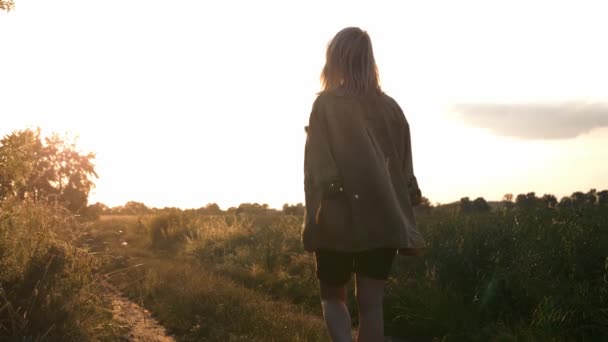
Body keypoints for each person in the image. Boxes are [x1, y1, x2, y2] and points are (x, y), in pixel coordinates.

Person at [303, 27, 426, 342]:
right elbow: (405, 170)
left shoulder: (326, 106)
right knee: (372, 306)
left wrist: (317, 214)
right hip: (383, 219)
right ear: (369, 61)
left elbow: (318, 166)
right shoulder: (392, 109)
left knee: (332, 296)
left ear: (335, 60)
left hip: (337, 218)